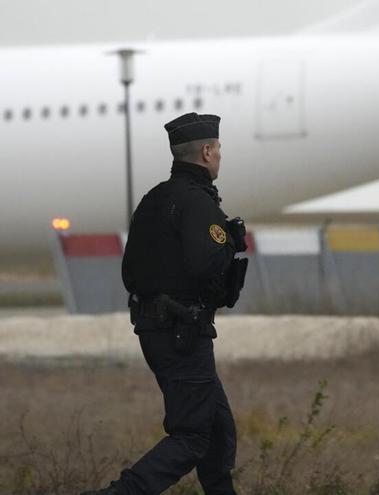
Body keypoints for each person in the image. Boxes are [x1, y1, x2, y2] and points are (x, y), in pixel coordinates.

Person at [81, 113, 248, 495]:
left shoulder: (153, 200)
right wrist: (228, 247)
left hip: (155, 329)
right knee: (192, 435)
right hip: (183, 333)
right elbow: (206, 269)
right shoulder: (198, 203)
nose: (220, 156)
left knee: (218, 427)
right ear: (206, 152)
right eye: (218, 149)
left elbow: (131, 270)